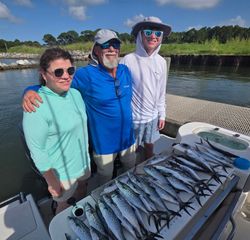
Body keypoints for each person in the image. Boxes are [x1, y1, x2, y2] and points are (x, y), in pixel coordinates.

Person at [22, 30, 136, 186]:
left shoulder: (125, 71)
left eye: (115, 44)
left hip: (128, 138)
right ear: (96, 49)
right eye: (106, 45)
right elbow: (57, 82)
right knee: (105, 180)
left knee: (131, 170)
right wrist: (29, 91)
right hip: (104, 144)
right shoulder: (85, 75)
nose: (111, 49)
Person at [22, 48, 91, 214]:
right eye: (58, 72)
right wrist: (51, 180)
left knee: (82, 192)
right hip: (62, 173)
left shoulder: (75, 94)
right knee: (64, 207)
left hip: (83, 163)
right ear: (44, 74)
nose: (66, 76)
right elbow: (37, 149)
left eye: (70, 70)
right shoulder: (36, 106)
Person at [120, 16, 172, 160]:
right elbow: (121, 92)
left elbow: (161, 91)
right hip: (134, 119)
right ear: (140, 35)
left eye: (158, 33)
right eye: (148, 32)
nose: (153, 36)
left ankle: (148, 166)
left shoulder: (161, 62)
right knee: (131, 152)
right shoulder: (128, 60)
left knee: (150, 145)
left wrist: (162, 114)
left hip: (153, 116)